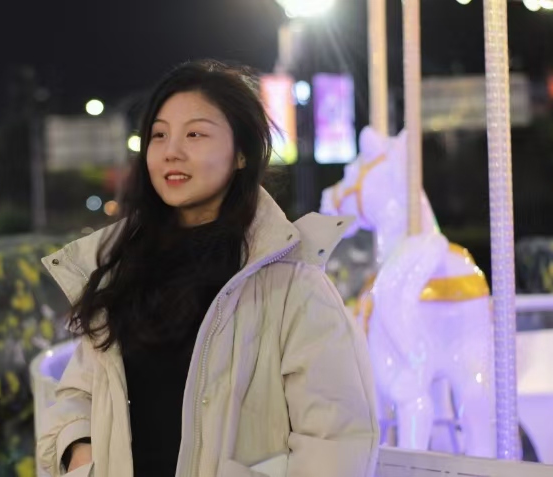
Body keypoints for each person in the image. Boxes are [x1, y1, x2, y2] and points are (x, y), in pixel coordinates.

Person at [38, 60, 379, 477]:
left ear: (241, 153)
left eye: (195, 134)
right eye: (159, 135)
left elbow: (336, 438)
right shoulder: (121, 272)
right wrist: (81, 454)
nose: (171, 151)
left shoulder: (289, 282)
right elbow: (78, 394)